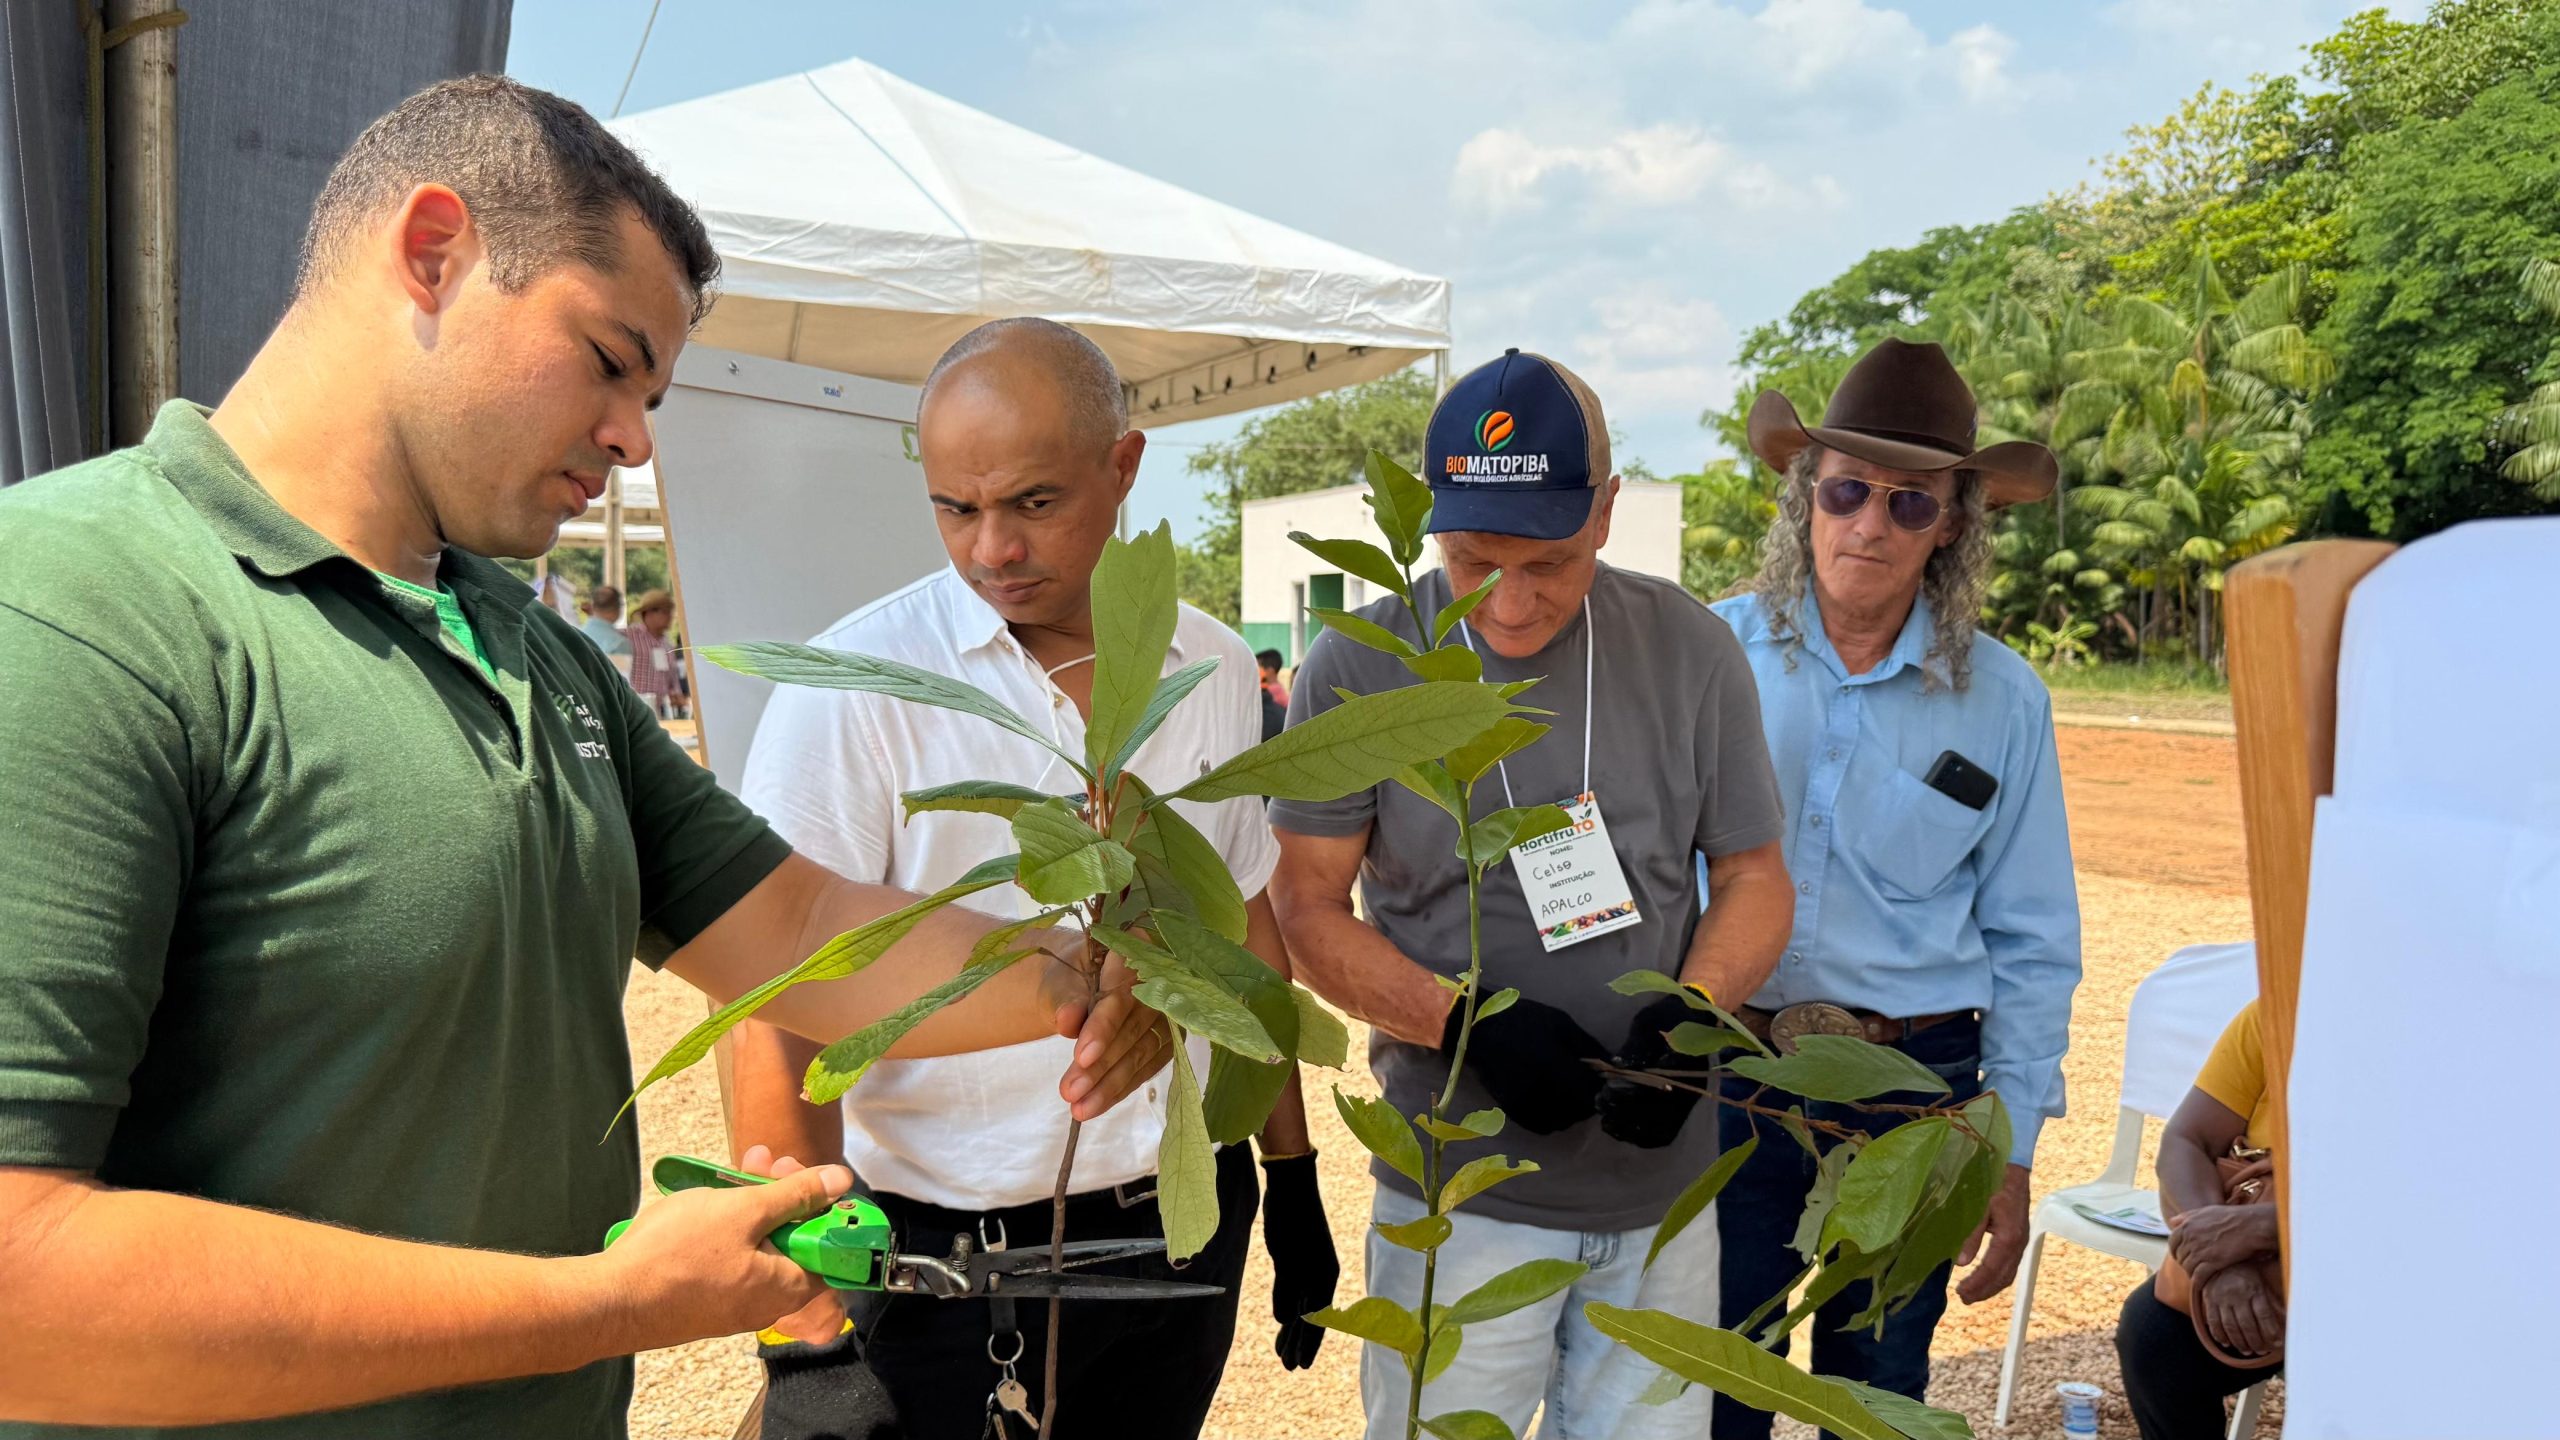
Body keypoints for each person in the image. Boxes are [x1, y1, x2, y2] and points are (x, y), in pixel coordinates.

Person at [0, 77, 1160, 1440]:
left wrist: (1084, 977)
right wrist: (607, 1304)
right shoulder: (78, 607)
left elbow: (798, 928)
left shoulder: (534, 651)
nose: (634, 438)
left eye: (651, 393)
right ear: (434, 251)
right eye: (611, 360)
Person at [729, 318, 1338, 1440]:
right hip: (947, 1266)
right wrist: (803, 1333)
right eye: (955, 509)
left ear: (1124, 466)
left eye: (1034, 502)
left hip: (1181, 1231)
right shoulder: (856, 691)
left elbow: (1243, 927)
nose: (992, 549)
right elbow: (772, 1002)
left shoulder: (1205, 666)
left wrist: (1290, 1174)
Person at [1268, 349, 1795, 1440]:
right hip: (1458, 1195)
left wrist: (1695, 1013)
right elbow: (1306, 908)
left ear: (1606, 511)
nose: (1509, 603)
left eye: (1549, 562)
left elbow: (1754, 875)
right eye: (1473, 560)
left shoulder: (1689, 648)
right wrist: (1456, 1022)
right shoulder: (1362, 668)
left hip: (1659, 1198)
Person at [1704, 337, 2083, 1436]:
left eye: (1909, 502)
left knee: (1875, 1396)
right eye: (1846, 490)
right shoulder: (1712, 654)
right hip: (1733, 1070)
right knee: (1714, 1384)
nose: (1869, 524)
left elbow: (2034, 940)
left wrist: (2008, 1152)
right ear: (1804, 497)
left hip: (1916, 1090)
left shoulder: (2004, 701)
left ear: (1952, 524)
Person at [2115, 1000, 2283, 1440]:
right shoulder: (2279, 1012)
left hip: (2374, 1268)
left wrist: (2270, 1228)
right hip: (2264, 1262)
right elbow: (2188, 1139)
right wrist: (2220, 1262)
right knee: (2156, 1335)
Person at [622, 586, 688, 719]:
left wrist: (677, 695)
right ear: (649, 613)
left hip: (659, 713)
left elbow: (672, 678)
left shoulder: (667, 644)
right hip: (633, 711)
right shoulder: (628, 636)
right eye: (665, 612)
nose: (670, 616)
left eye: (670, 612)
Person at [581, 580, 633, 664]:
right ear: (618, 608)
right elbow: (621, 672)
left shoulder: (574, 634)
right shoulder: (619, 644)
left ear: (593, 606)